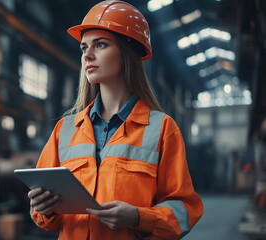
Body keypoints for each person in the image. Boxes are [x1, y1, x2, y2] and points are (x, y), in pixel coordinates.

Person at [27, 1, 204, 239]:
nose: (88, 55)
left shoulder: (161, 129)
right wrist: (42, 207)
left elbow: (185, 210)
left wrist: (138, 217)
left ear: (128, 51)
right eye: (83, 48)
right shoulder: (65, 130)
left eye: (100, 45)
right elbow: (46, 220)